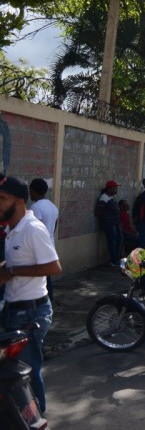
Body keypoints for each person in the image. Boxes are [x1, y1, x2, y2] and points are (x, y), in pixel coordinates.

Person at [0, 176, 62, 413]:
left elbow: (54, 267)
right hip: (13, 309)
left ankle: (37, 417)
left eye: (3, 198)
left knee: (27, 372)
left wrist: (12, 272)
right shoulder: (11, 229)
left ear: (19, 202)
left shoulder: (32, 228)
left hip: (32, 313)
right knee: (13, 374)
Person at [29, 178, 58, 302]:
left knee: (38, 280)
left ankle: (42, 305)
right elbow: (54, 227)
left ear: (33, 190)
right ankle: (49, 302)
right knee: (46, 279)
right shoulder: (52, 206)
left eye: (30, 191)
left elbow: (37, 229)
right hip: (50, 244)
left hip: (39, 247)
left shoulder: (36, 207)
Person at [95, 180, 122, 266]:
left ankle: (117, 258)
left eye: (116, 188)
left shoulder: (111, 197)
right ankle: (114, 260)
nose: (116, 189)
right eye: (114, 188)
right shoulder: (104, 198)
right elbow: (98, 212)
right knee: (112, 242)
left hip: (115, 223)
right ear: (109, 188)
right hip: (109, 224)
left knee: (120, 239)